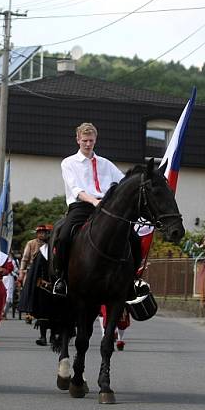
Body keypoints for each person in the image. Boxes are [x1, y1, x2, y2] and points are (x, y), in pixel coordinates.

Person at [52, 122, 126, 296]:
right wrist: (94, 201)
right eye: (84, 140)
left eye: (91, 140)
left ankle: (132, 280)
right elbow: (76, 189)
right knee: (63, 237)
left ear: (95, 140)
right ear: (78, 139)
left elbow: (123, 182)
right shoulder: (68, 163)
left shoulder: (106, 163)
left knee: (130, 236)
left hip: (107, 208)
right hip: (81, 207)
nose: (87, 144)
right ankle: (61, 278)